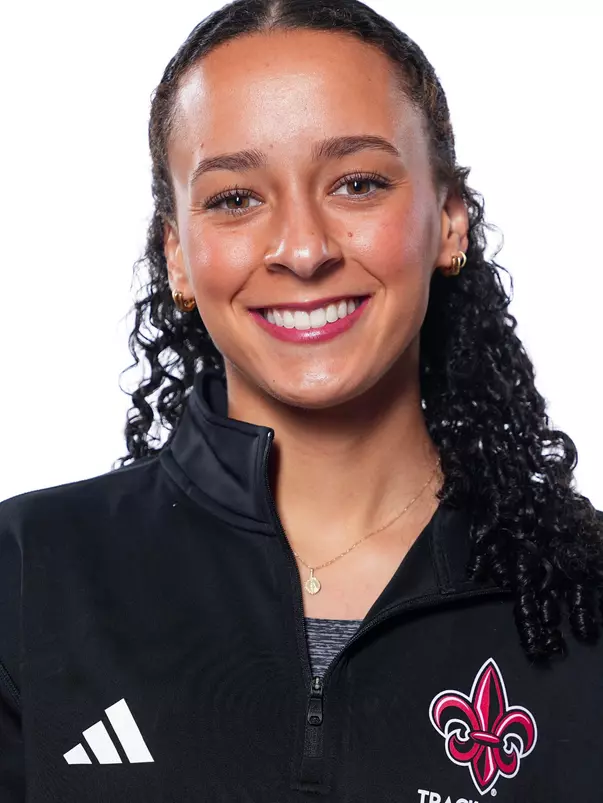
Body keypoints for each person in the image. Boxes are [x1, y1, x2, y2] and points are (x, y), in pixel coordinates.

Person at [1, 0, 602, 800]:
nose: (304, 249)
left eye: (357, 183)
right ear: (177, 257)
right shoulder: (26, 573)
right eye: (235, 198)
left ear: (449, 221)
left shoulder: (583, 594)